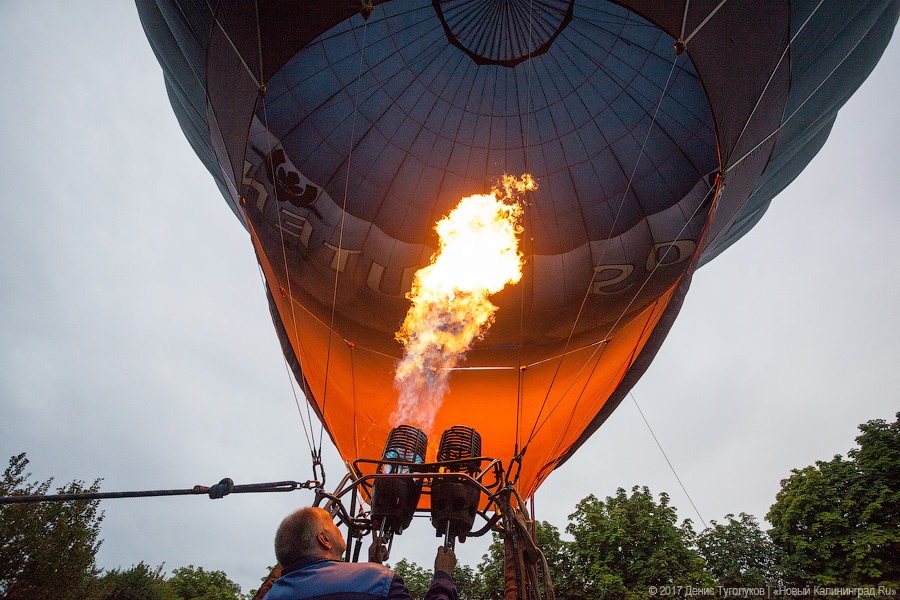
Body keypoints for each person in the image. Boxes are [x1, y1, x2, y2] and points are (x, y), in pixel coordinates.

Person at [263, 507, 458, 600]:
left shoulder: (270, 596)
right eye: (332, 523)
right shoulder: (377, 579)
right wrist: (443, 575)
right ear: (324, 539)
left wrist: (373, 564)